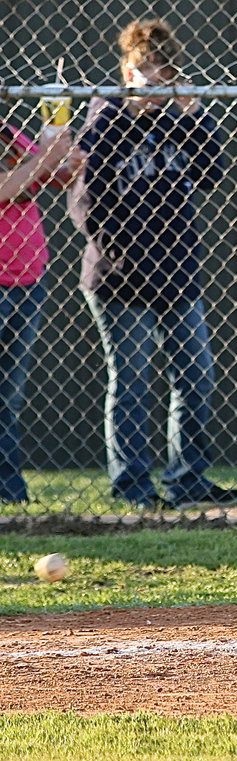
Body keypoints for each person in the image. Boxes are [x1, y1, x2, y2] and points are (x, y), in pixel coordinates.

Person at [69, 19, 237, 510]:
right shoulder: (105, 116)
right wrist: (125, 254)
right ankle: (134, 487)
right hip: (120, 276)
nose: (153, 80)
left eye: (164, 71)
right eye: (144, 70)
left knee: (195, 376)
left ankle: (186, 479)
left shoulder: (177, 119)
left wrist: (191, 114)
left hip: (177, 273)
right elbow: (86, 203)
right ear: (127, 70)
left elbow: (211, 171)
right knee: (132, 380)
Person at [0, 122, 81, 504]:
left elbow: (54, 179)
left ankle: (9, 492)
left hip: (27, 280)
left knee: (8, 397)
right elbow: (5, 187)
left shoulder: (7, 129)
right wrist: (44, 159)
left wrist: (68, 158)